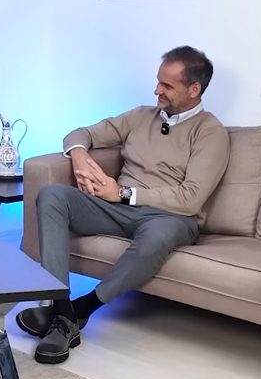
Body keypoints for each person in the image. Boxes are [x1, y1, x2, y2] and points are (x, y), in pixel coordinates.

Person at [19, 46, 229, 362]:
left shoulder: (210, 133)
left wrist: (123, 194)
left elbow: (190, 198)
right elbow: (80, 133)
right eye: (158, 82)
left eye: (167, 86)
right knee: (52, 195)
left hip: (169, 217)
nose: (157, 90)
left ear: (194, 89)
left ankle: (80, 310)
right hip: (117, 208)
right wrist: (79, 155)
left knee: (157, 236)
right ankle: (61, 309)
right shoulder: (140, 116)